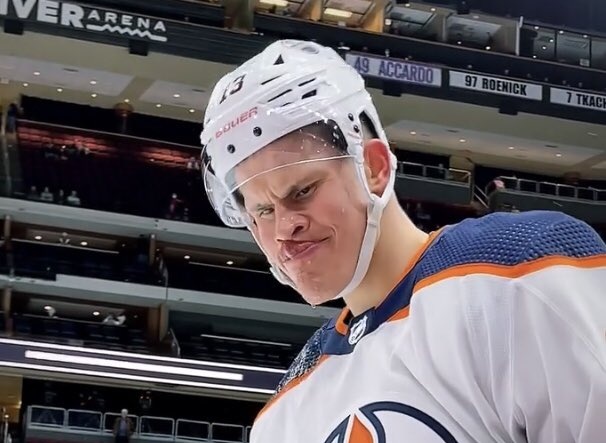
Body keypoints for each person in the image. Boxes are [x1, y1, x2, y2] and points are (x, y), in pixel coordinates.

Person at [199, 40, 606, 443]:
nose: (284, 229)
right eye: (263, 211)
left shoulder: (519, 270)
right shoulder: (284, 411)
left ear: (373, 167)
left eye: (302, 191)